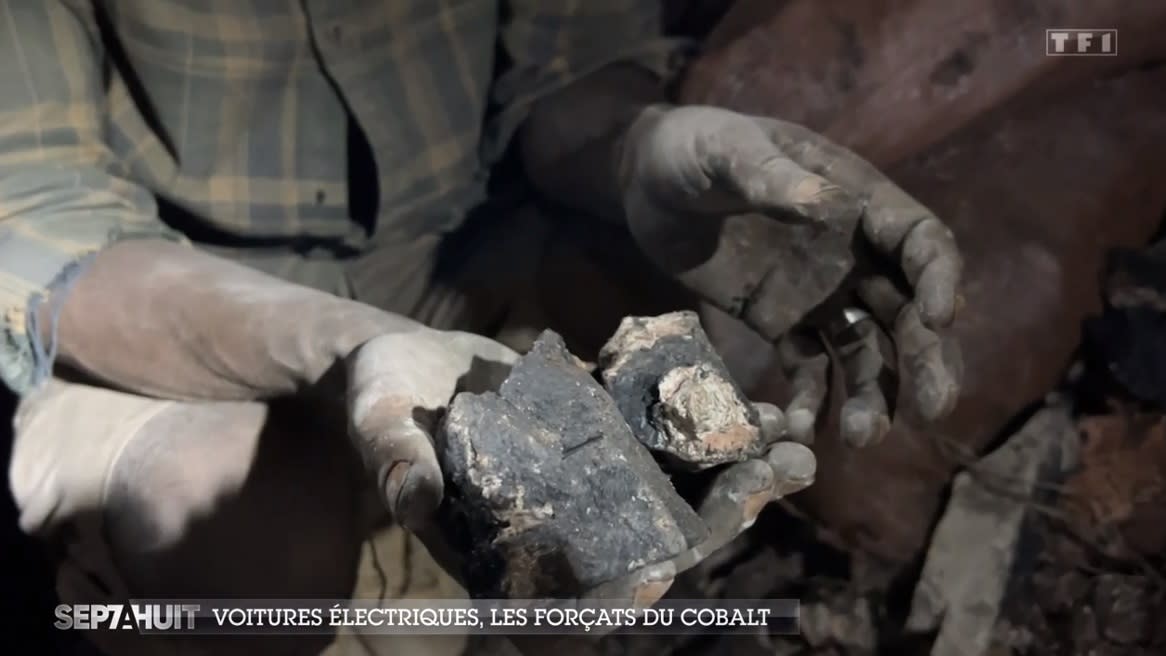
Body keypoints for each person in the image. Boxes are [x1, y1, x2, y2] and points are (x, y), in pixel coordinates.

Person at [0, 1, 962, 654]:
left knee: (625, 290)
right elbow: (40, 219)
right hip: (169, 294)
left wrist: (644, 146)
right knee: (226, 517)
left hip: (452, 244)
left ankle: (501, 602)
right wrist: (351, 345)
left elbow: (563, 75)